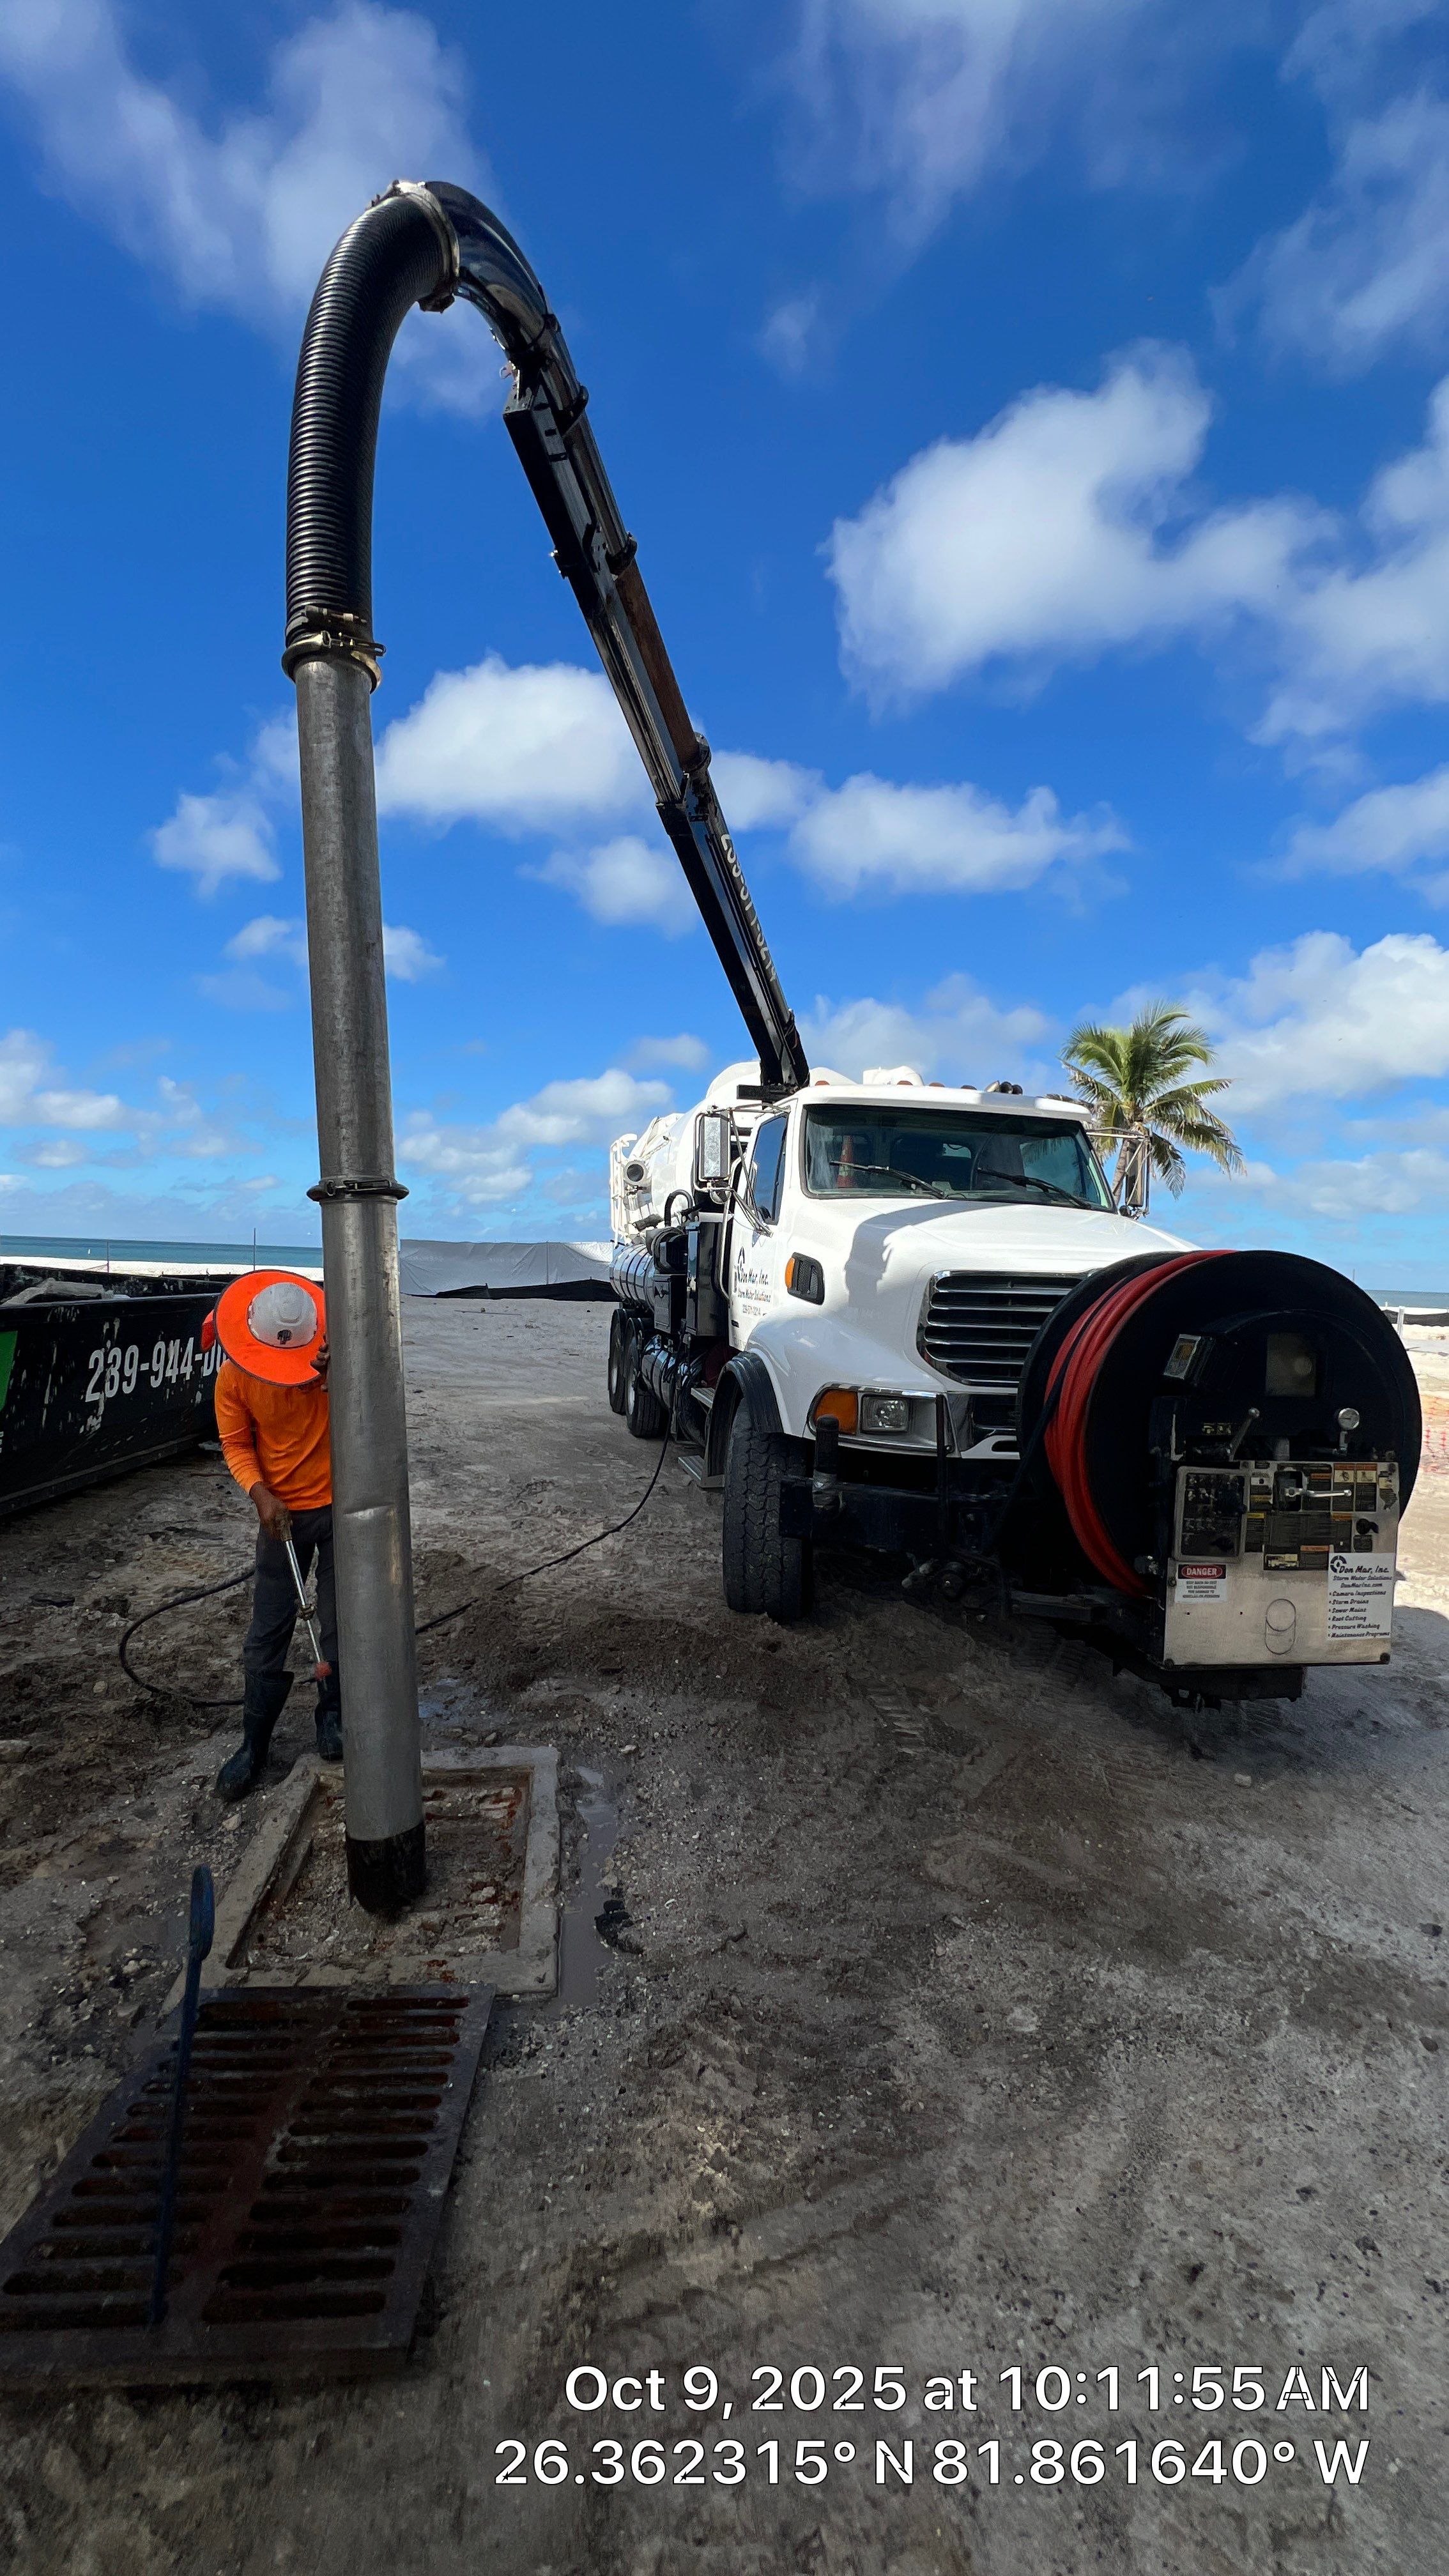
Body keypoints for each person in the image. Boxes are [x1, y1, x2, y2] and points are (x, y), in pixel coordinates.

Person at [208, 1272, 341, 1801]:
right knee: (269, 1628)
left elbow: (374, 1410)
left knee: (338, 1621)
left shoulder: (338, 1356)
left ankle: (333, 1716)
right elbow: (236, 1442)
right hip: (279, 1514)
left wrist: (341, 1378)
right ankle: (253, 1744)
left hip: (338, 1509)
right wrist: (260, 1494)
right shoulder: (234, 1376)